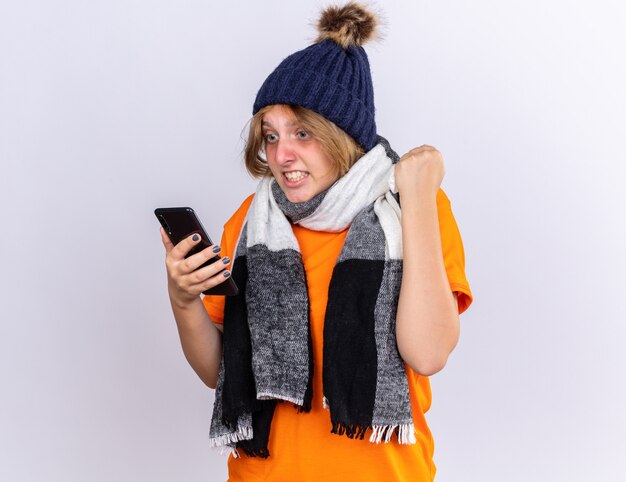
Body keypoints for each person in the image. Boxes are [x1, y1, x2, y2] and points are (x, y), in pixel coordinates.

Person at [159, 2, 473, 481]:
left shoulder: (413, 208)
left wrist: (420, 196)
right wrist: (183, 301)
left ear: (342, 134)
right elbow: (221, 372)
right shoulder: (250, 224)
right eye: (270, 135)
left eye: (302, 132)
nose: (281, 155)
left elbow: (427, 353)